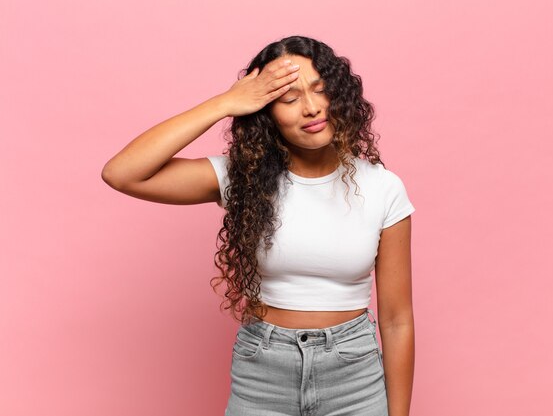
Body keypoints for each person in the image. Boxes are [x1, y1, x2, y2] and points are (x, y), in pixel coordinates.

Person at [102, 35, 415, 416]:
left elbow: (397, 320)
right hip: (263, 373)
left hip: (353, 376)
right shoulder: (242, 178)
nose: (312, 108)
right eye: (289, 99)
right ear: (267, 113)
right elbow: (122, 173)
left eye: (320, 90)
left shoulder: (384, 188)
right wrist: (224, 104)